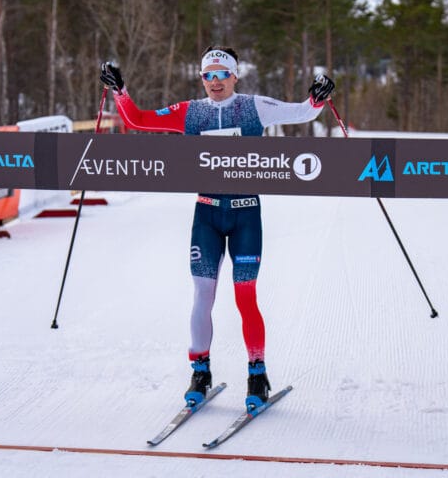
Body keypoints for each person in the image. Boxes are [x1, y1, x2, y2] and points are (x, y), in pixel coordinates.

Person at [99, 46, 335, 413]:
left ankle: (257, 374)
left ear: (234, 76)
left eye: (221, 75)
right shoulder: (191, 112)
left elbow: (303, 111)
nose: (214, 82)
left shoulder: (254, 107)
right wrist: (120, 92)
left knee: (245, 297)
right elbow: (138, 120)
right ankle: (200, 372)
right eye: (207, 75)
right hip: (207, 215)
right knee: (202, 296)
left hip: (245, 216)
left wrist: (317, 97)